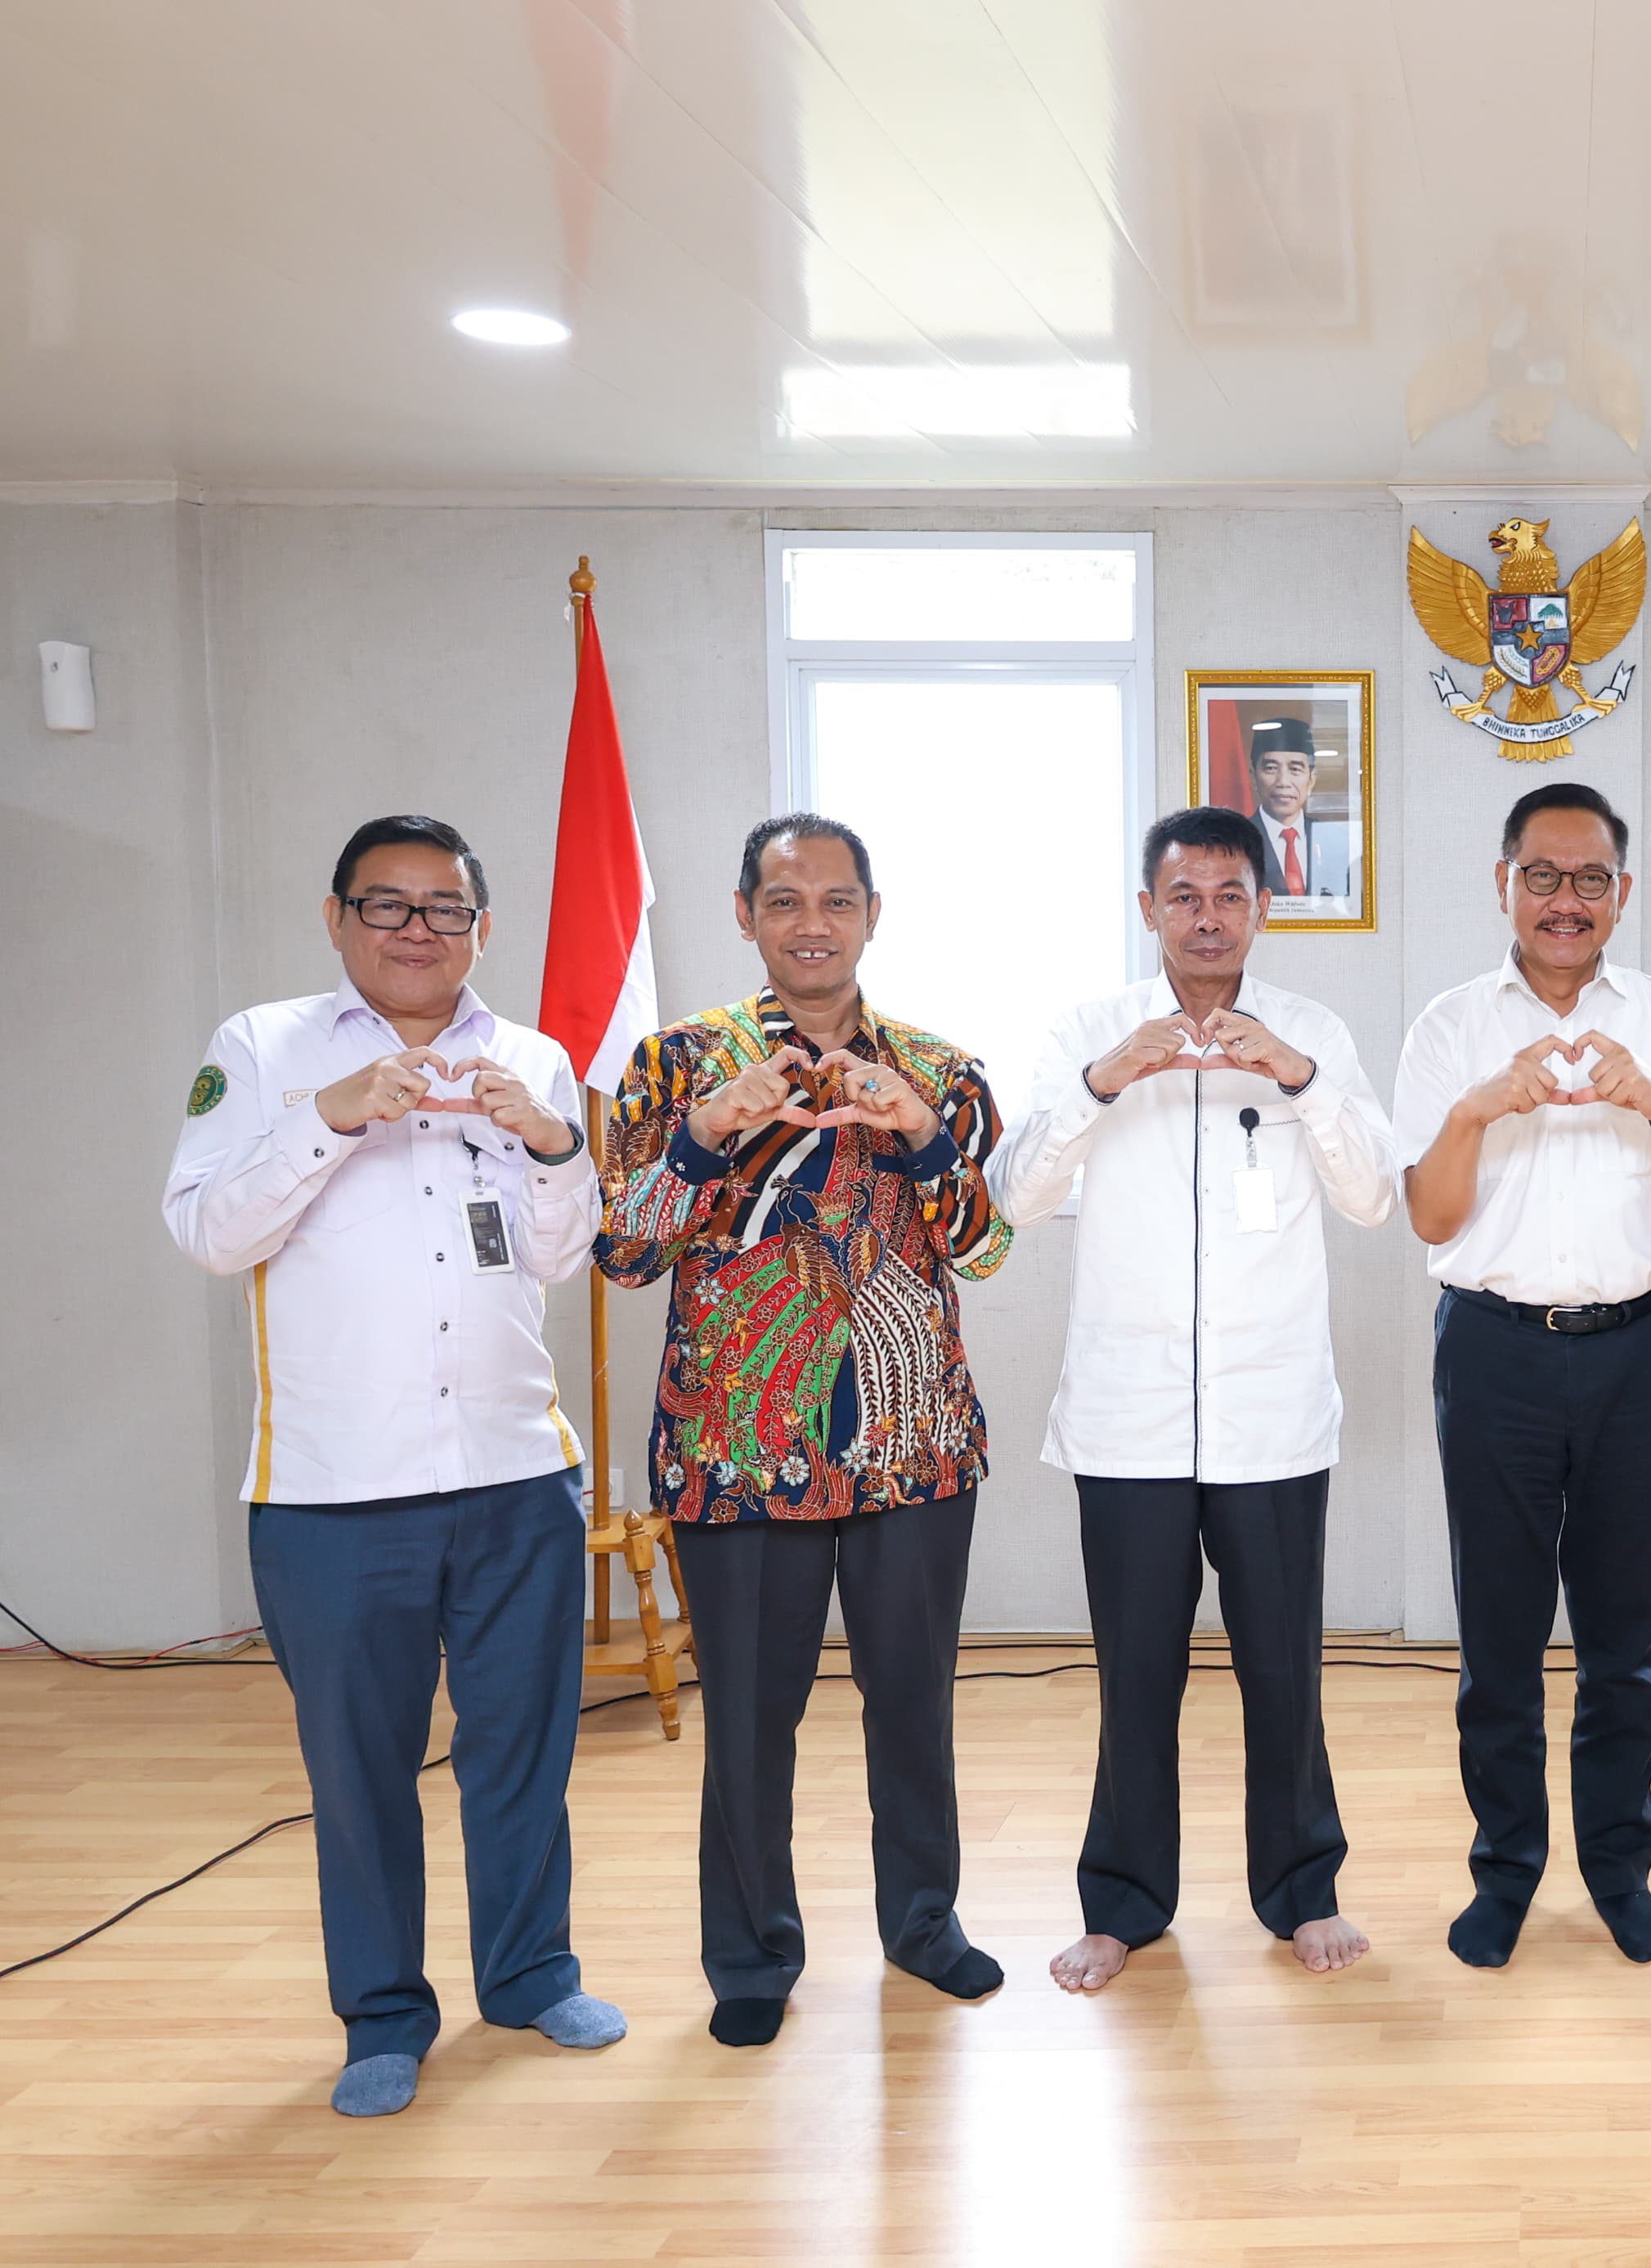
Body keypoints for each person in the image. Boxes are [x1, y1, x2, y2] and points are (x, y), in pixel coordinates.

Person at [163, 814, 624, 2118]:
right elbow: (205, 1229)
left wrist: (549, 1140)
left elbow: (556, 1254)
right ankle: (381, 2014)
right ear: (337, 917)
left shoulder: (526, 1051)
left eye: (445, 910)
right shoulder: (264, 1048)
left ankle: (532, 1975)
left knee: (522, 1748)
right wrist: (328, 1120)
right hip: (330, 1489)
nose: (417, 931)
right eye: (389, 906)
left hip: (514, 1470)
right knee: (359, 1770)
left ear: (483, 927)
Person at [595, 813, 1013, 2048]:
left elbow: (985, 1247)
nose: (813, 925)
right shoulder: (679, 1065)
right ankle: (751, 1958)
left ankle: (923, 1925)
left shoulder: (941, 1067)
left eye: (838, 902)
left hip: (913, 1444)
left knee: (912, 1704)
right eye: (786, 903)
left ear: (873, 915)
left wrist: (923, 1138)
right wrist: (705, 1133)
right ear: (744, 916)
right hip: (734, 1452)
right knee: (749, 1717)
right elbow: (622, 1249)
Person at [987, 806, 1396, 1989]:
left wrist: (1300, 1076)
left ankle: (1303, 1889)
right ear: (1148, 908)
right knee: (1135, 1674)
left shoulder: (1309, 1029)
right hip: (1130, 1417)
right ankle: (1121, 1905)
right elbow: (1014, 1198)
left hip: (1272, 1417)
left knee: (1284, 1668)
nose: (1207, 917)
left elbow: (1373, 1194)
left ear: (1262, 907)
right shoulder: (1089, 1031)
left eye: (1230, 895)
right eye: (1185, 896)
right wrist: (1105, 1084)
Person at [1394, 782, 1651, 1969]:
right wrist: (1479, 1108)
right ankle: (1504, 1872)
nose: (1564, 899)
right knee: (1497, 1641)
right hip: (1492, 1351)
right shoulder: (1450, 1023)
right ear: (1502, 884)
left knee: (1621, 1641)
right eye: (1540, 875)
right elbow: (1430, 1215)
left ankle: (1617, 1869)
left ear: (1622, 894)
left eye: (1589, 878)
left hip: (1639, 1350)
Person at [1246, 716, 1353, 901]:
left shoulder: (1339, 842)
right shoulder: (1236, 841)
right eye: (1271, 768)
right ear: (1253, 778)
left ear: (1311, 780)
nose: (1283, 782)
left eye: (1295, 769)